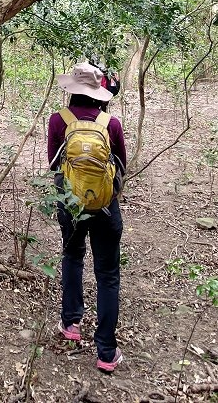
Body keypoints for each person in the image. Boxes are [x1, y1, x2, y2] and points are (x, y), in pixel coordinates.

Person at [48, 61, 127, 372]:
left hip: (70, 205)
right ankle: (106, 352)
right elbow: (120, 164)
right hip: (107, 208)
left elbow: (54, 165)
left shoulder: (58, 120)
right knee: (107, 275)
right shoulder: (112, 123)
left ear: (72, 90)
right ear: (99, 92)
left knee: (72, 258)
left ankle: (71, 324)